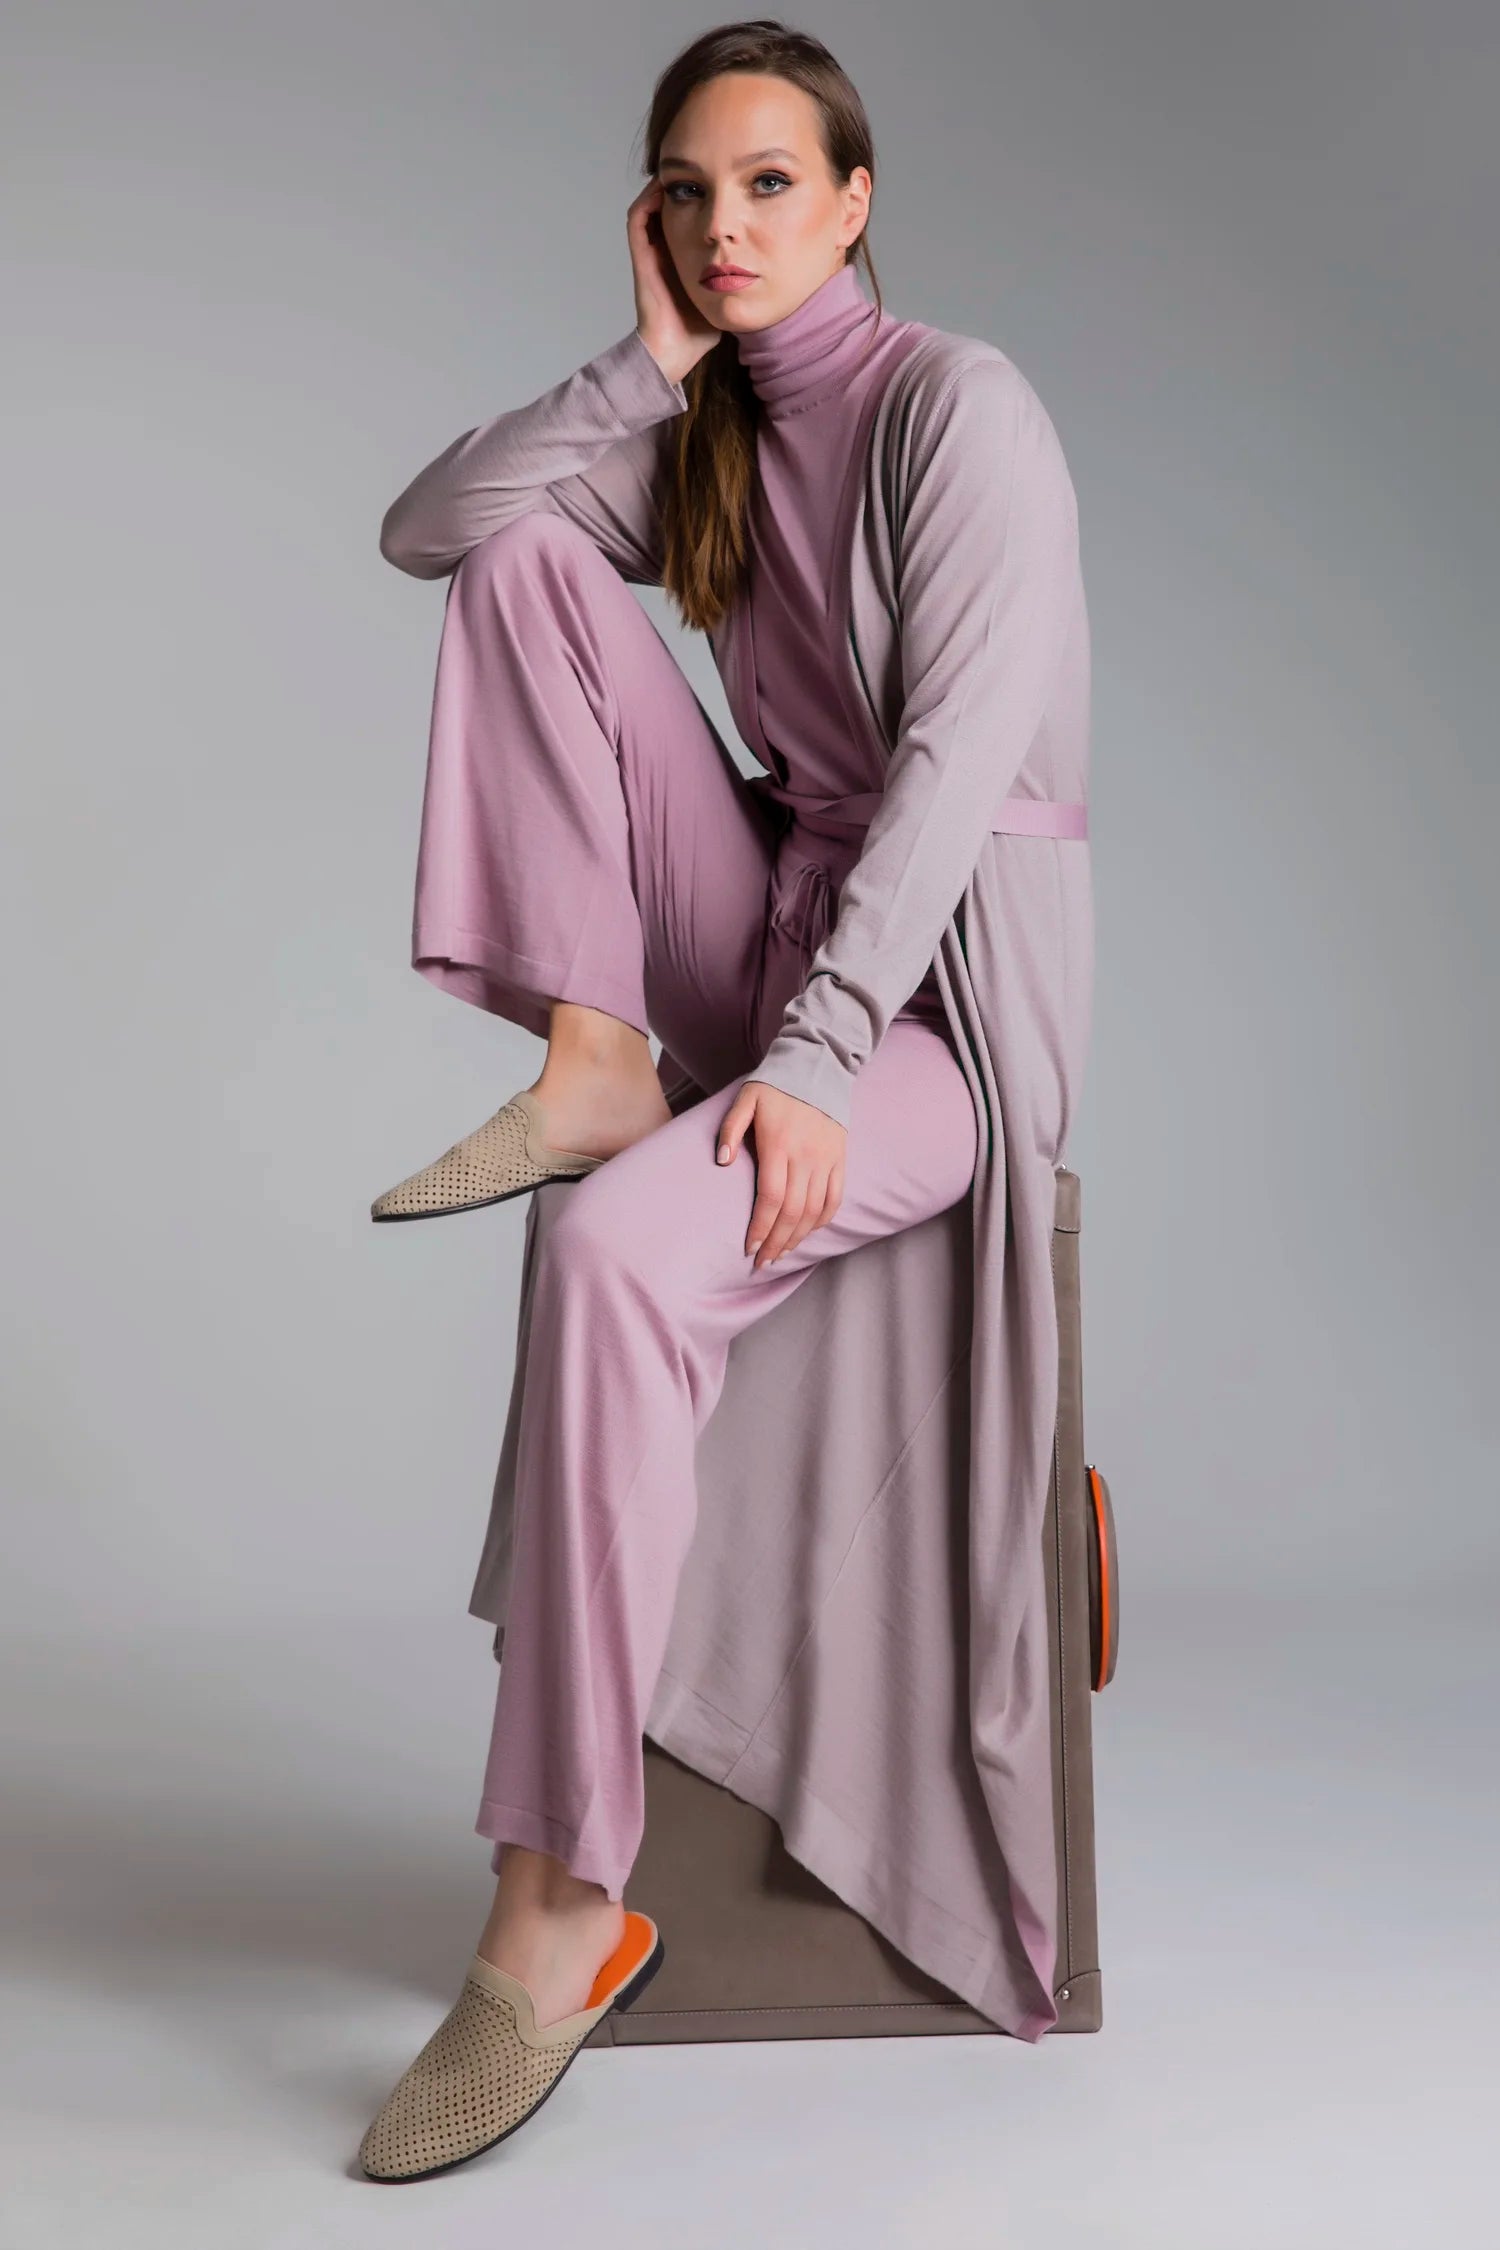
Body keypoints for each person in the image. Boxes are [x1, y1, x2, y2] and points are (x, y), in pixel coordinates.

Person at [357, 19, 1090, 2184]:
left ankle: (564, 1895)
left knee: (609, 1258)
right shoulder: (700, 409)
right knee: (519, 568)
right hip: (764, 921)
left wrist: (826, 1057)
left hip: (935, 996)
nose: (734, 219)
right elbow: (429, 530)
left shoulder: (962, 407)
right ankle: (595, 1058)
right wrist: (643, 356)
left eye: (774, 182)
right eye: (694, 186)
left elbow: (955, 766)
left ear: (856, 202)